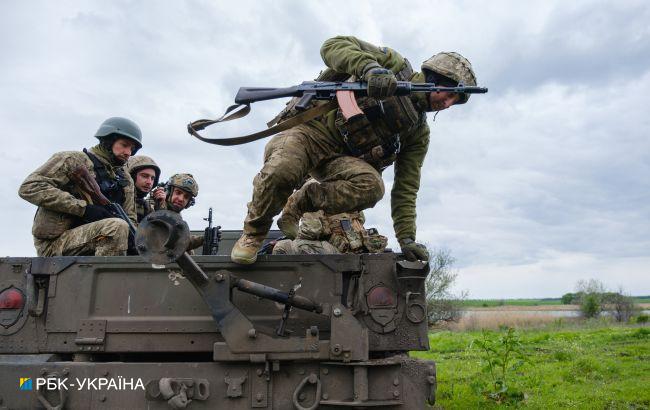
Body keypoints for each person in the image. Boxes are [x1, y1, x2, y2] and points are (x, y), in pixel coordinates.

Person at [231, 35, 478, 264]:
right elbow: (332, 46)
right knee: (283, 170)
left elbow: (406, 188)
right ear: (434, 77)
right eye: (449, 94)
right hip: (309, 133)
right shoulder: (394, 64)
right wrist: (370, 69)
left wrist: (407, 239)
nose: (447, 104)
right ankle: (253, 233)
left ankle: (302, 200)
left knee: (372, 186)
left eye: (454, 102)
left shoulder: (417, 132)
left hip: (339, 162)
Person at [19, 117, 142, 256]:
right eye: (124, 145)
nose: (128, 153)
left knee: (129, 234)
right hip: (56, 244)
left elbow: (130, 219)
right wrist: (84, 209)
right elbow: (30, 187)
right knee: (115, 227)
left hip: (99, 239)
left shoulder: (125, 179)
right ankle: (106, 277)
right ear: (108, 141)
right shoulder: (73, 160)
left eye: (132, 149)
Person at [272, 210, 387, 255]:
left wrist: (294, 237)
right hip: (360, 248)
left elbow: (311, 231)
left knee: (282, 246)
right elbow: (361, 219)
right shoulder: (347, 186)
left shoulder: (311, 190)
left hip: (339, 252)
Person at [151, 173, 204, 251]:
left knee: (189, 252)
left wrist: (204, 239)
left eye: (186, 197)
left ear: (189, 203)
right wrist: (160, 204)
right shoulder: (152, 205)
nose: (181, 199)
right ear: (168, 192)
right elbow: (165, 234)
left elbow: (181, 242)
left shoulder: (177, 217)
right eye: (178, 193)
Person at [126, 155, 161, 223]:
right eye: (144, 176)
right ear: (131, 176)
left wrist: (160, 206)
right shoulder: (118, 197)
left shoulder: (146, 207)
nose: (149, 182)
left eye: (152, 178)